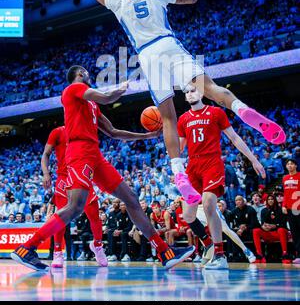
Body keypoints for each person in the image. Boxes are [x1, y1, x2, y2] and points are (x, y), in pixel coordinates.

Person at [65, 0, 285, 206]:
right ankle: (242, 109)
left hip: (147, 55)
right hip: (169, 45)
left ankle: (179, 172)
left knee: (169, 117)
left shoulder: (120, 2)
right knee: (211, 89)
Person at [11, 65, 194, 271]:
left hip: (95, 155)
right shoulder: (72, 89)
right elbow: (106, 97)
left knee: (131, 199)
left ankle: (164, 252)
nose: (89, 75)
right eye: (86, 73)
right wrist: (121, 88)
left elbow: (114, 132)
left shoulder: (92, 106)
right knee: (75, 206)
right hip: (79, 151)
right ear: (80, 74)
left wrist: (146, 136)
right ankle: (27, 248)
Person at [179, 86, 264, 269]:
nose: (190, 94)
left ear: (201, 93)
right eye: (186, 92)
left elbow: (234, 138)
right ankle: (207, 243)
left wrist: (253, 160)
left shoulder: (216, 112)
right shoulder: (183, 119)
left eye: (193, 90)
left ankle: (220, 255)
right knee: (188, 214)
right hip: (192, 166)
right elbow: (178, 149)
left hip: (212, 162)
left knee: (209, 203)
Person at [41, 125, 105, 268]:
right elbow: (46, 153)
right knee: (61, 217)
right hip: (64, 177)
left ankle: (98, 246)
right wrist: (46, 173)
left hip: (82, 173)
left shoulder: (86, 129)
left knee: (94, 214)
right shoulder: (57, 132)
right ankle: (57, 252)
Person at [252, 194, 291, 263]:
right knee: (256, 231)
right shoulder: (264, 210)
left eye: (272, 199)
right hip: (268, 233)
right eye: (269, 199)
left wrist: (275, 226)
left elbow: (283, 224)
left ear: (275, 200)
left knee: (281, 229)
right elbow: (263, 224)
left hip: (279, 233)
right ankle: (259, 255)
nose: (270, 201)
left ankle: (285, 254)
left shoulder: (280, 209)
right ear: (267, 201)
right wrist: (264, 227)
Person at [282, 159, 300, 264]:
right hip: (290, 209)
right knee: (295, 233)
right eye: (288, 164)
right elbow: (285, 194)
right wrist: (284, 205)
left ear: (296, 165)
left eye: (292, 164)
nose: (289, 165)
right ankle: (299, 254)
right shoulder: (285, 178)